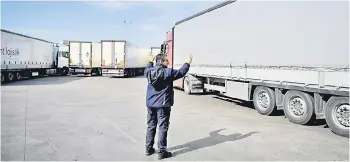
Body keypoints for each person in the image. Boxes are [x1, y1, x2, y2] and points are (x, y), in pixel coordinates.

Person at [144, 53, 192, 159]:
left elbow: (148, 67)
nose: (168, 62)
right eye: (166, 60)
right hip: (163, 104)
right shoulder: (168, 72)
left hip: (151, 104)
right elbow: (181, 72)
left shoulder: (148, 71)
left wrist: (150, 61)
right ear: (161, 61)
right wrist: (188, 62)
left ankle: (148, 148)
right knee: (162, 127)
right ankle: (162, 151)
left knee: (151, 126)